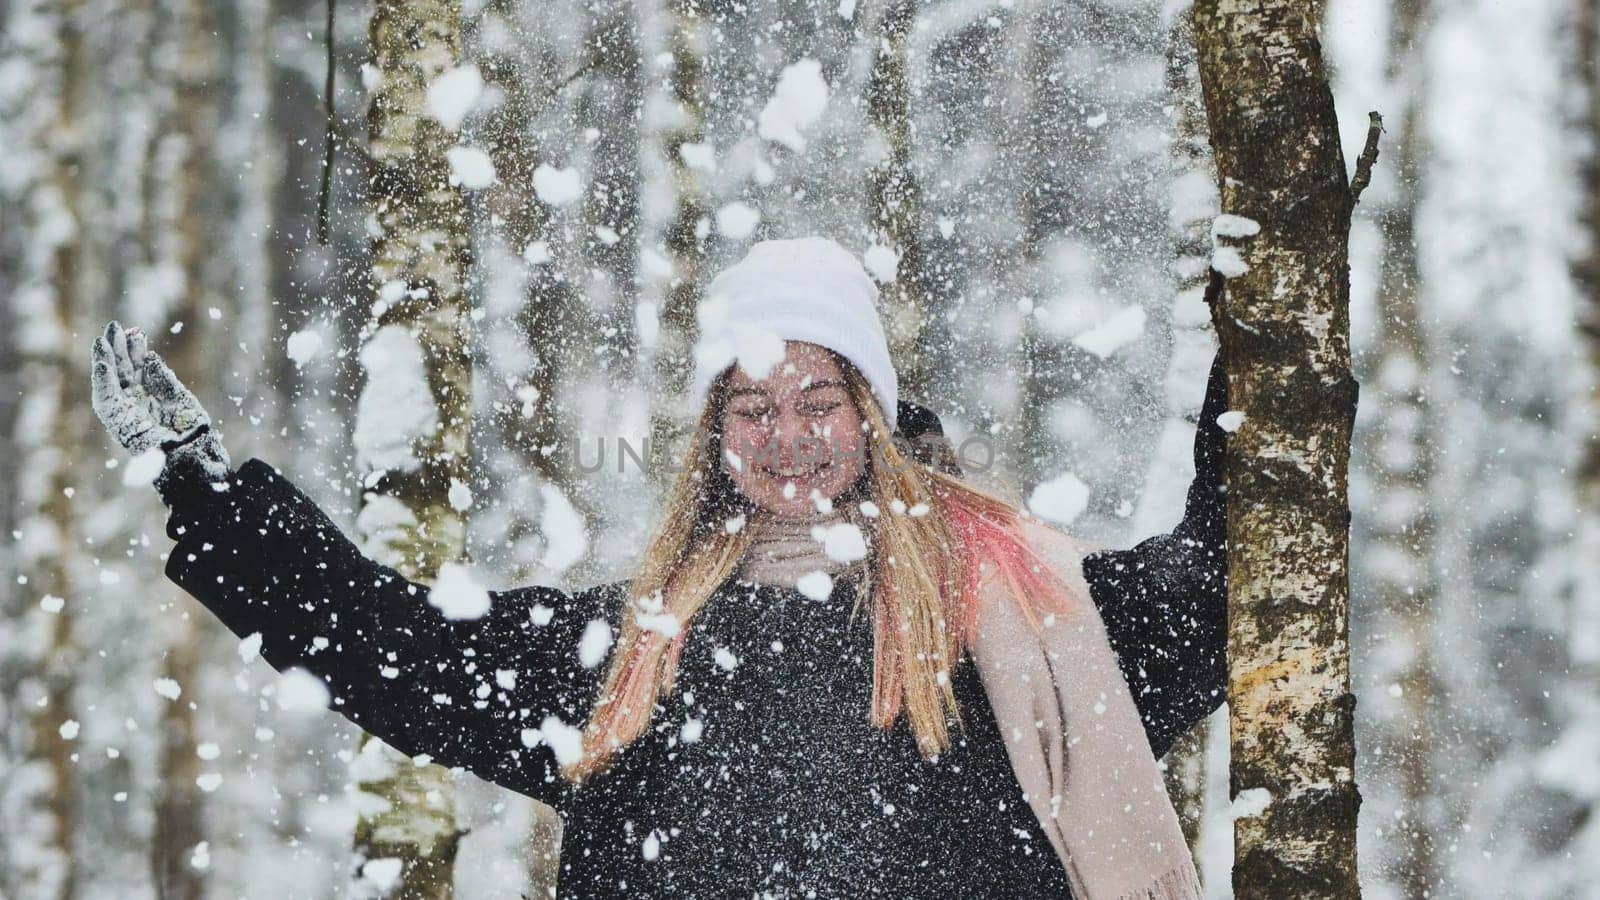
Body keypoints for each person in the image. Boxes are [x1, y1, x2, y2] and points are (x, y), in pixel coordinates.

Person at [90, 237, 1227, 898]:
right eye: (752, 407)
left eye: (819, 402)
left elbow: (1224, 590)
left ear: (871, 412)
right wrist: (209, 495)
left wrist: (1261, 362)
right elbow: (405, 654)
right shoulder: (640, 643)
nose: (788, 439)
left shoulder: (1017, 608)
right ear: (712, 434)